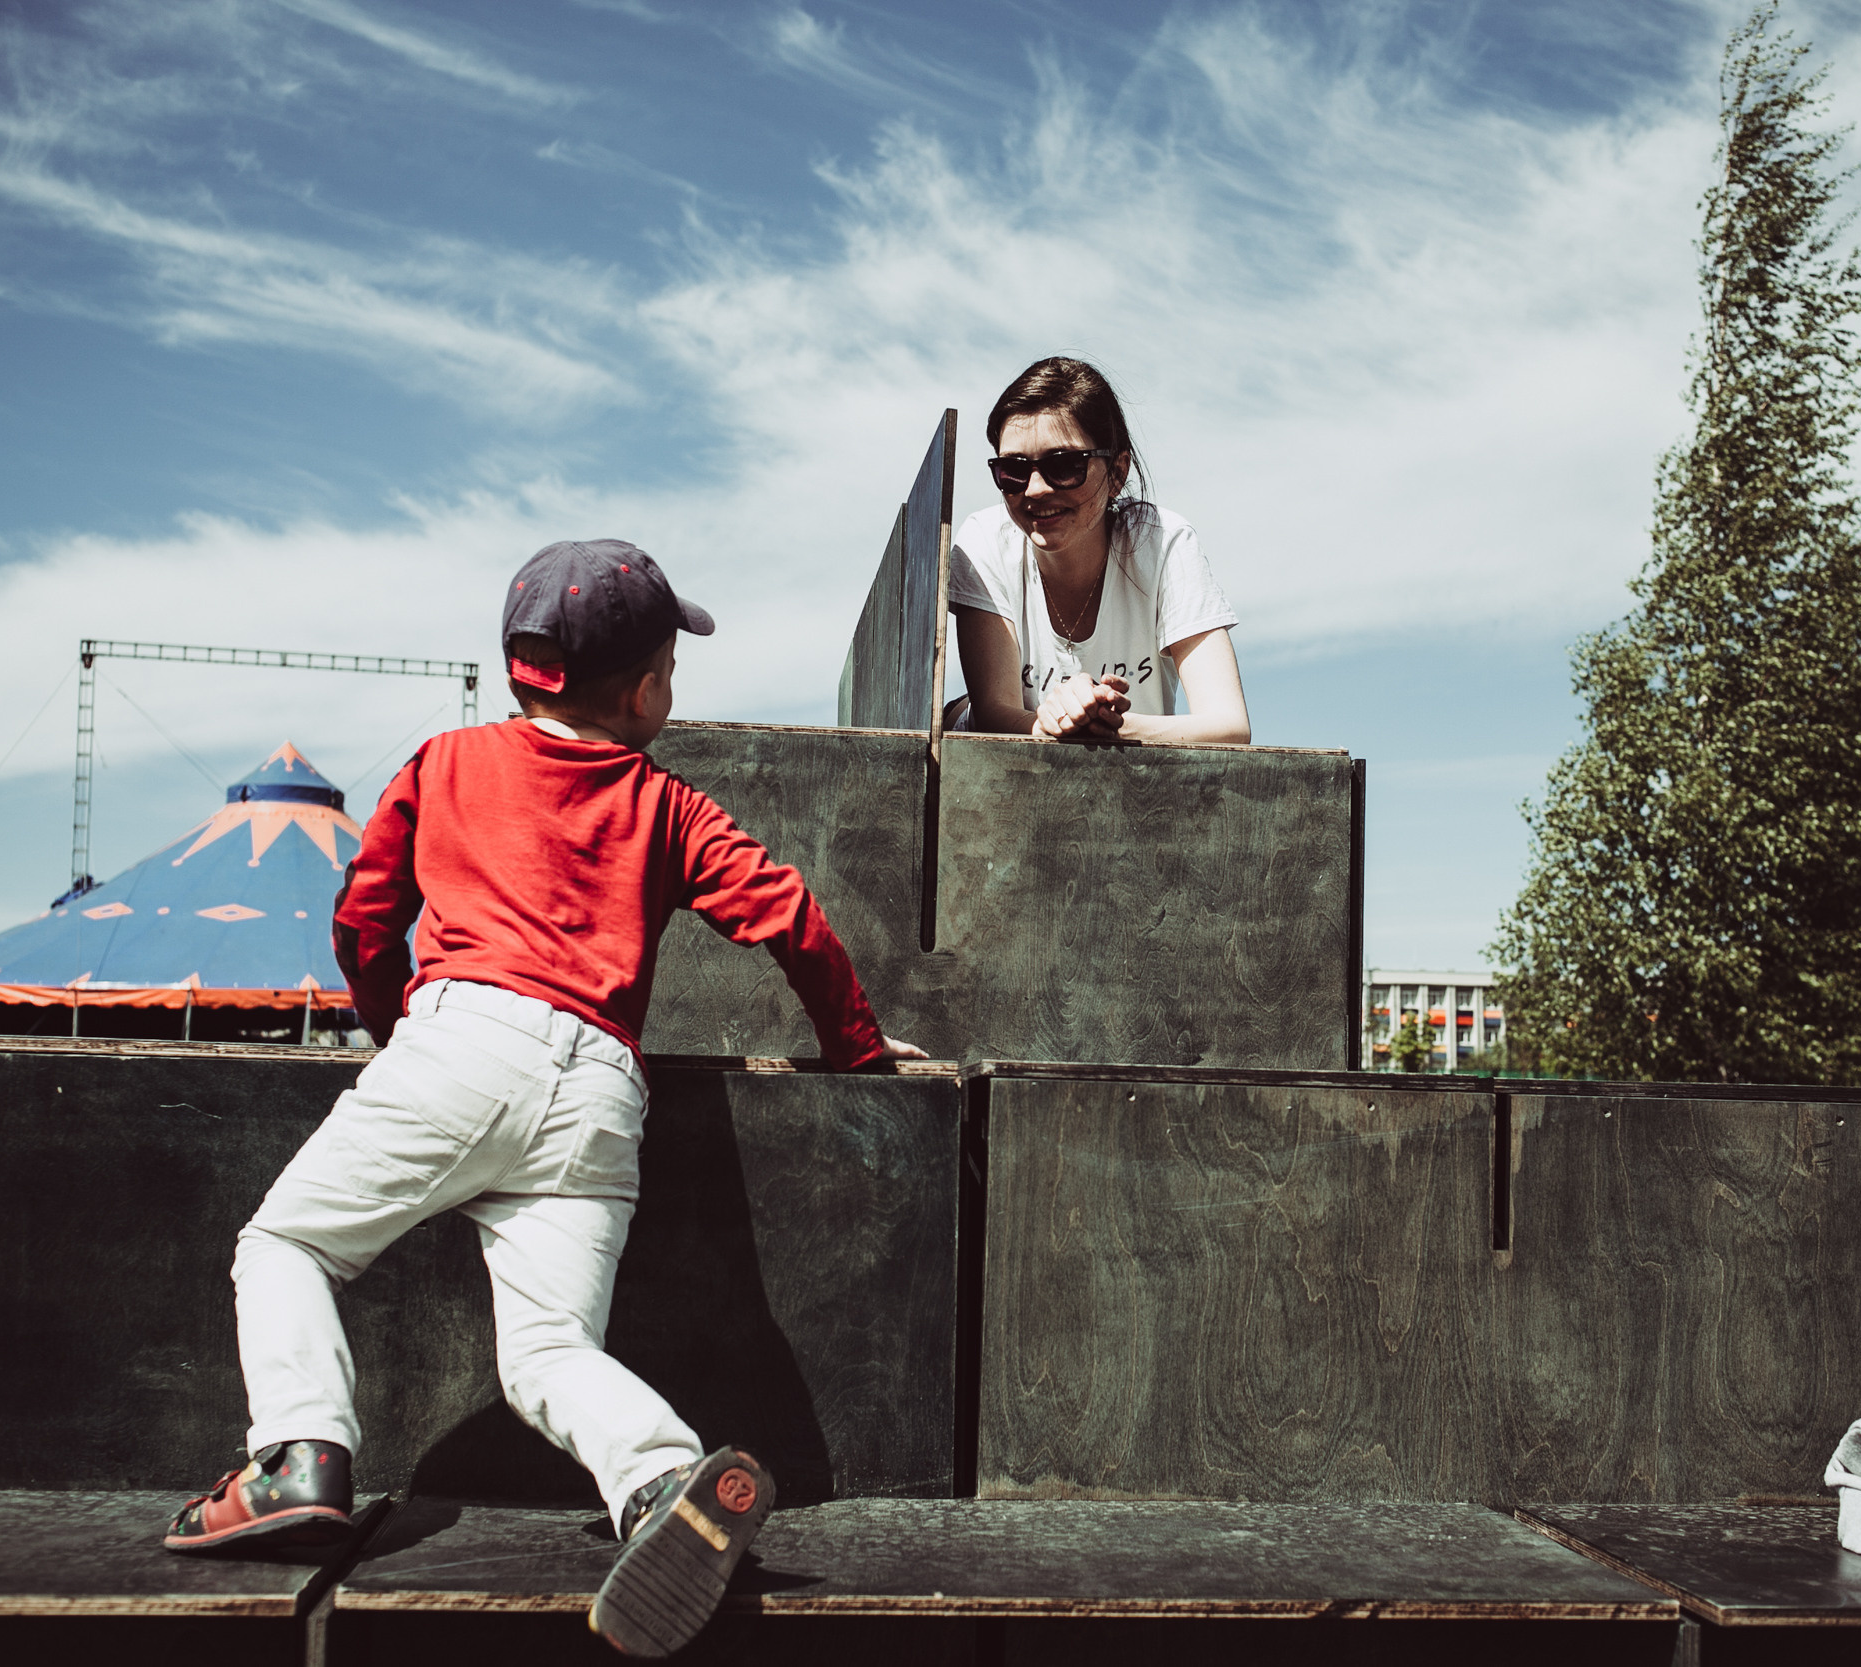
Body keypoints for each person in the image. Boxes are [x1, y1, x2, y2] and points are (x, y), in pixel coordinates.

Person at [163, 538, 925, 1661]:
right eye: (672, 664)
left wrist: (397, 1039)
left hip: (461, 1042)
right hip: (603, 1089)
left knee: (285, 1245)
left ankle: (300, 1452)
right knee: (551, 1352)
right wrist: (856, 1053)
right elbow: (792, 918)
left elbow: (364, 921)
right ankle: (665, 1474)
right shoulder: (670, 805)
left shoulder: (444, 761)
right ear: (645, 685)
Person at [948, 356, 1250, 744]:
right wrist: (1050, 725)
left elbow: (1230, 724)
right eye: (1014, 470)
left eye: (1065, 464)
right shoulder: (984, 542)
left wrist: (1106, 725)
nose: (1036, 488)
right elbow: (993, 711)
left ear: (1118, 473)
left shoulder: (1163, 545)